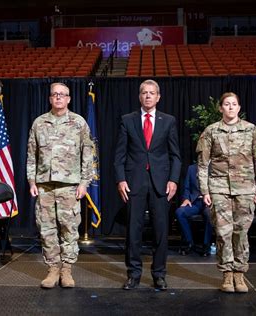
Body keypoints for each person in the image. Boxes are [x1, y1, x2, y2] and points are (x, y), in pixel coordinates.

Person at [196, 92, 256, 293]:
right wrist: (205, 191)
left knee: (241, 232)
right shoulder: (211, 131)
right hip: (219, 189)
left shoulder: (251, 130)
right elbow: (202, 164)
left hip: (245, 189)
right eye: (226, 104)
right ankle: (227, 274)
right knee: (222, 232)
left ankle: (240, 273)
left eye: (233, 104)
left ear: (239, 107)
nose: (230, 107)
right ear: (220, 108)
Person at [114, 79, 181, 291]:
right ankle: (133, 274)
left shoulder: (168, 121)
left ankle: (159, 274)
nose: (148, 96)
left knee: (161, 231)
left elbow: (175, 156)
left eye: (152, 93)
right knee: (134, 231)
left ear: (158, 97)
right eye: (144, 92)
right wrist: (121, 179)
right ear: (139, 96)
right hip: (134, 182)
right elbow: (120, 155)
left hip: (161, 184)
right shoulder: (128, 120)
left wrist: (174, 180)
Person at [27, 82, 94, 289]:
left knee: (69, 228)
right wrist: (31, 180)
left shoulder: (78, 122)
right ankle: (52, 269)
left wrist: (85, 182)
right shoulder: (39, 123)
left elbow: (88, 153)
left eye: (62, 95)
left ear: (68, 99)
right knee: (46, 229)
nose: (58, 98)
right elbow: (31, 155)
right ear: (50, 98)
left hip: (69, 185)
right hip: (44, 185)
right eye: (55, 94)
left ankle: (66, 269)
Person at [175, 163, 213, 256]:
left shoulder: (215, 167)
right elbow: (187, 187)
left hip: (209, 202)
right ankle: (189, 242)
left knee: (209, 214)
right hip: (195, 202)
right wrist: (186, 199)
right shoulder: (192, 168)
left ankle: (206, 245)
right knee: (180, 212)